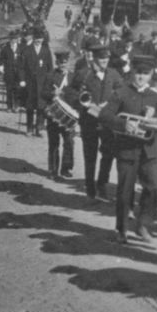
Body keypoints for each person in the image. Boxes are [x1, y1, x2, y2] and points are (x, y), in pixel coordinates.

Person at [98, 55, 157, 244]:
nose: (141, 77)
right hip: (127, 149)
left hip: (150, 151)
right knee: (124, 191)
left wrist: (155, 117)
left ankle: (143, 223)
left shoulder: (156, 97)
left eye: (145, 74)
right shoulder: (121, 93)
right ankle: (121, 229)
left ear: (151, 75)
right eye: (138, 73)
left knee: (154, 188)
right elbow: (104, 115)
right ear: (132, 72)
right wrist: (123, 124)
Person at [67, 43, 125, 202]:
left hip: (107, 122)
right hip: (89, 121)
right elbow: (70, 93)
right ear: (94, 58)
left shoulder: (114, 74)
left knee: (108, 154)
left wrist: (111, 104)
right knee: (90, 156)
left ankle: (102, 184)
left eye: (107, 58)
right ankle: (90, 190)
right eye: (102, 58)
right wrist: (82, 104)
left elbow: (122, 92)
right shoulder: (83, 74)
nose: (105, 61)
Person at [40, 50, 76, 179]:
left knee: (69, 143)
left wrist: (66, 94)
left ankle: (66, 169)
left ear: (69, 62)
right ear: (56, 63)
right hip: (54, 115)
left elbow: (77, 95)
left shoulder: (73, 77)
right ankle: (53, 170)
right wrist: (53, 94)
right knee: (53, 143)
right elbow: (43, 93)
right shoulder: (50, 76)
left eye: (65, 63)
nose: (63, 65)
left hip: (69, 116)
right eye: (60, 63)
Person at [19, 26, 53, 137]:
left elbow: (50, 68)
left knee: (40, 106)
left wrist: (49, 82)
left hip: (42, 84)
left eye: (41, 38)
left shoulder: (46, 51)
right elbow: (21, 67)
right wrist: (22, 79)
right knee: (29, 107)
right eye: (37, 38)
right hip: (30, 83)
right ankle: (29, 128)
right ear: (33, 38)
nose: (39, 40)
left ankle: (39, 128)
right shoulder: (26, 50)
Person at [0, 31, 22, 112]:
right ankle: (9, 106)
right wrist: (1, 67)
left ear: (17, 39)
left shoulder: (21, 48)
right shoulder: (5, 49)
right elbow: (0, 59)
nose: (13, 40)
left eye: (15, 38)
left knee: (17, 89)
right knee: (9, 89)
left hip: (18, 72)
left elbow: (24, 59)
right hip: (9, 72)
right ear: (9, 39)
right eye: (12, 39)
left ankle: (16, 105)